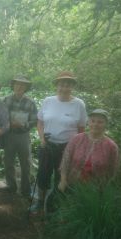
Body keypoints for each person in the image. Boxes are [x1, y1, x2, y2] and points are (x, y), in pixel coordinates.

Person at [34, 71, 87, 213]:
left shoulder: (78, 104)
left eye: (68, 85)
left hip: (67, 148)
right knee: (43, 175)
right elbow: (39, 122)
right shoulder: (48, 101)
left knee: (61, 177)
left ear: (72, 87)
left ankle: (55, 205)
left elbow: (81, 129)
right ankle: (40, 202)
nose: (64, 88)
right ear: (56, 85)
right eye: (61, 84)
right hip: (48, 145)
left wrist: (76, 148)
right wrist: (42, 139)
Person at [58, 109, 119, 191]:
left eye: (100, 122)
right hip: (72, 185)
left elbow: (113, 170)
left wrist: (106, 187)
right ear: (88, 122)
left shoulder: (111, 146)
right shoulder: (76, 139)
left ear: (106, 124)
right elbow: (66, 160)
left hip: (96, 190)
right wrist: (63, 180)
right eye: (92, 121)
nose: (95, 124)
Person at [0, 75, 38, 199]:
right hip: (9, 136)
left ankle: (26, 190)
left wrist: (23, 124)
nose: (19, 86)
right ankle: (11, 187)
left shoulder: (31, 102)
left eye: (23, 85)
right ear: (13, 85)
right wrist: (9, 124)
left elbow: (34, 121)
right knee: (8, 162)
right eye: (17, 84)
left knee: (26, 164)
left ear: (26, 87)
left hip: (23, 136)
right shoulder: (5, 100)